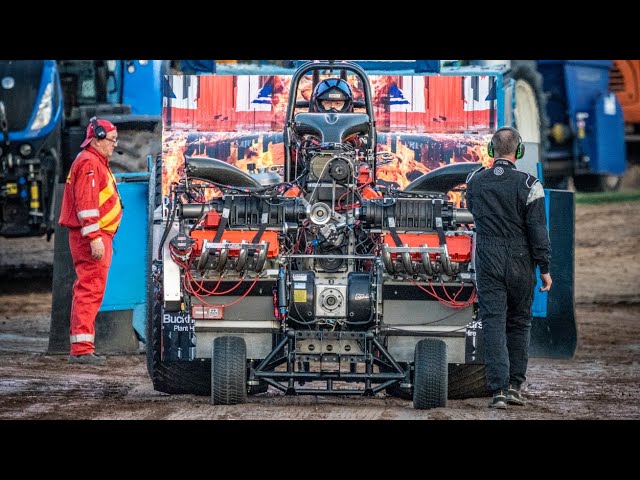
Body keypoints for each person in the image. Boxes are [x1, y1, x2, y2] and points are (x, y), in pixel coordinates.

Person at [465, 126, 552, 409]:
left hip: (488, 256)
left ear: (491, 150)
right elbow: (538, 231)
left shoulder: (475, 181)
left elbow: (474, 212)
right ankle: (515, 386)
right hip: (520, 258)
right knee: (519, 322)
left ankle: (498, 391)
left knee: (493, 322)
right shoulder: (530, 185)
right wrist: (545, 268)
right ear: (519, 151)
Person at [58, 117, 123, 365]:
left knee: (90, 288)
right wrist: (94, 237)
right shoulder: (89, 162)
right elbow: (87, 206)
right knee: (90, 289)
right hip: (92, 237)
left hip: (95, 235)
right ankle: (82, 349)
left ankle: (83, 346)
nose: (114, 145)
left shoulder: (93, 161)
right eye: (112, 140)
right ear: (97, 138)